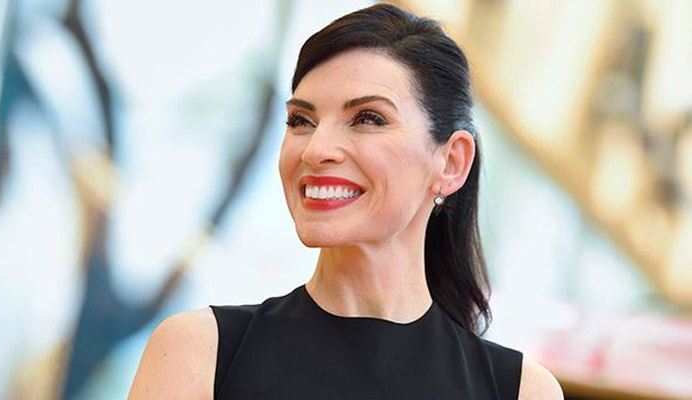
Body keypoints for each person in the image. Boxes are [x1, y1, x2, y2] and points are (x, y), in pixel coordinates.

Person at [128, 4, 563, 399]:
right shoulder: (198, 352)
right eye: (301, 120)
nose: (316, 150)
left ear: (451, 162)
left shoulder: (521, 391)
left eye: (368, 118)